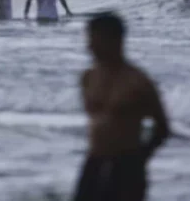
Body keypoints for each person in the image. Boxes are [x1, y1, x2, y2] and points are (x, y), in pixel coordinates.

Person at [73, 13, 170, 201]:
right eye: (89, 39)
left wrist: (139, 158)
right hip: (94, 162)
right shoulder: (88, 78)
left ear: (115, 40)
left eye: (95, 40)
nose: (89, 46)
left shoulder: (137, 81)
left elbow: (162, 128)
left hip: (126, 166)